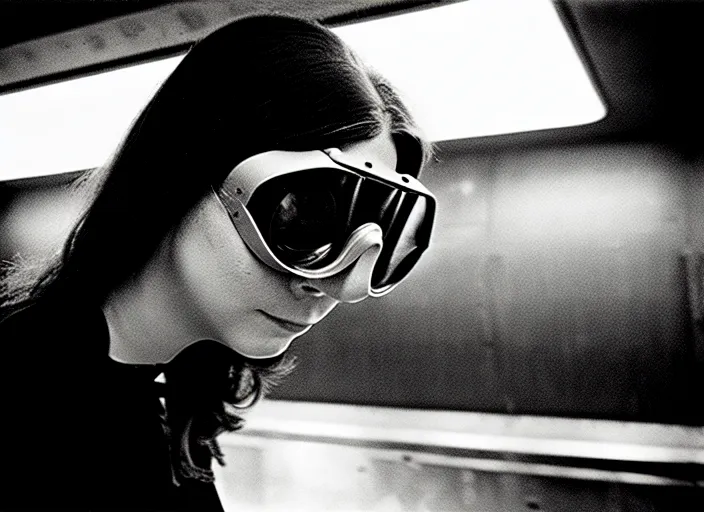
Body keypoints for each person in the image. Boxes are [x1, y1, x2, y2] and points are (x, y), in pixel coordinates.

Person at [0, 13, 435, 511]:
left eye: (379, 238)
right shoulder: (25, 402)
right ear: (182, 168)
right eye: (302, 217)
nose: (335, 285)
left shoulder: (178, 400)